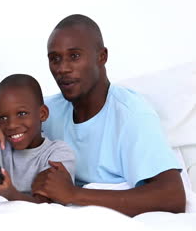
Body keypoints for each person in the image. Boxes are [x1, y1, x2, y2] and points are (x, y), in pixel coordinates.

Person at [32, 14, 186, 216]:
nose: (62, 68)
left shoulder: (132, 114)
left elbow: (173, 196)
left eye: (75, 56)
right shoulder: (47, 111)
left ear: (102, 57)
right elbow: (3, 123)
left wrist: (73, 194)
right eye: (55, 59)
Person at [0, 74, 75, 203]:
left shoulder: (57, 152)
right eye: (3, 118)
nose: (11, 125)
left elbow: (45, 204)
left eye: (22, 114)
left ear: (42, 114)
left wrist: (9, 193)